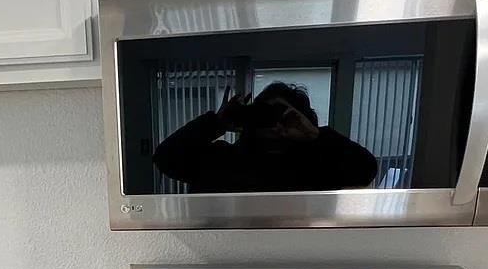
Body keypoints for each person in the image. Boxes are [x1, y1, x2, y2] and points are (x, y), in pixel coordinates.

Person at [152, 81, 379, 192]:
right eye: (265, 116)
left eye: (285, 116)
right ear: (251, 119)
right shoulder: (222, 160)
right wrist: (217, 122)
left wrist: (314, 135)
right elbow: (166, 158)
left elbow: (365, 170)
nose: (275, 126)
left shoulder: (318, 163)